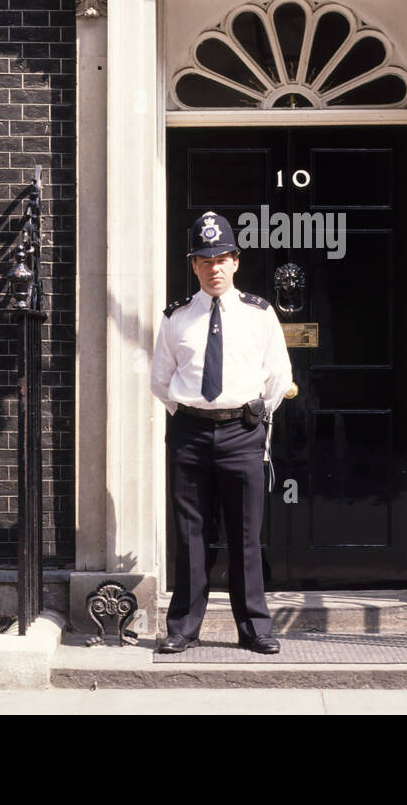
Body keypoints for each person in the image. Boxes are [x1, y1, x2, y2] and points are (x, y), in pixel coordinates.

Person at [150, 210, 293, 654]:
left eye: (222, 258)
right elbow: (161, 380)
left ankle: (254, 628)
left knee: (245, 536)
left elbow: (278, 374)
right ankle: (184, 628)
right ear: (194, 265)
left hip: (242, 433)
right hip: (190, 435)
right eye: (204, 260)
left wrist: (254, 416)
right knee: (190, 534)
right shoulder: (176, 318)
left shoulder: (260, 314)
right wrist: (192, 414)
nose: (214, 268)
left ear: (236, 261)